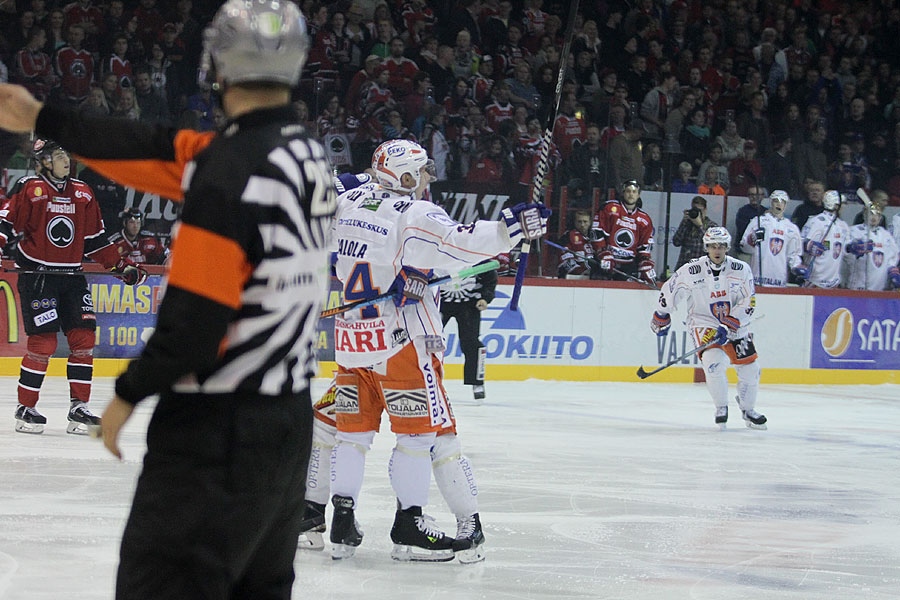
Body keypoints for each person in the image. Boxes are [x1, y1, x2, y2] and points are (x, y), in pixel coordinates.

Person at [0, 1, 336, 597]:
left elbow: (197, 317)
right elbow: (151, 145)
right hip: (286, 427)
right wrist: (42, 118)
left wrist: (127, 393)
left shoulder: (228, 171)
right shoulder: (304, 154)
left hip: (215, 435)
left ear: (217, 64)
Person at [328, 139, 548, 562]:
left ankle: (341, 522)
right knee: (417, 438)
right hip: (403, 341)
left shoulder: (347, 199)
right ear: (406, 177)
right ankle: (409, 524)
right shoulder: (414, 212)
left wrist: (351, 180)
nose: (430, 175)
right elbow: (460, 241)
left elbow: (319, 200)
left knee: (351, 436)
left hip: (352, 339)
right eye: (423, 169)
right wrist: (511, 229)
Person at [0, 139, 147, 435]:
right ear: (43, 161)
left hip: (71, 277)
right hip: (38, 276)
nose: (64, 160)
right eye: (57, 155)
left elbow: (95, 242)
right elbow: (5, 225)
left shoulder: (83, 192)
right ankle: (25, 408)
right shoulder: (30, 188)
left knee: (83, 339)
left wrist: (122, 267)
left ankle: (79, 408)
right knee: (44, 344)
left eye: (66, 154)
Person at [651, 227, 767, 430]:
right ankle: (721, 407)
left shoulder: (741, 269)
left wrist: (731, 322)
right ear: (706, 247)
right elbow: (671, 288)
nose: (717, 250)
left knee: (751, 369)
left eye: (721, 246)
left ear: (727, 247)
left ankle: (748, 409)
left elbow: (749, 302)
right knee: (714, 362)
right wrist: (662, 314)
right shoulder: (691, 269)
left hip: (734, 324)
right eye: (713, 245)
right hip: (704, 321)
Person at [440, 267, 497, 401]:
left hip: (469, 305)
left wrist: (485, 298)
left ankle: (477, 383)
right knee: (428, 341)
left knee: (472, 343)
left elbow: (490, 278)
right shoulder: (438, 255)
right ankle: (423, 379)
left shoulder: (480, 260)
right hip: (439, 304)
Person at [591, 180, 656, 283]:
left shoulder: (645, 219)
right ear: (623, 192)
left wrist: (645, 262)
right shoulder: (610, 208)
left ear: (638, 195)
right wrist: (602, 252)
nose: (631, 194)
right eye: (628, 191)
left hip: (628, 266)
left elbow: (645, 245)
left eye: (634, 192)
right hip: (606, 260)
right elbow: (596, 231)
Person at [739, 190, 804, 287]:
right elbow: (744, 247)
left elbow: (793, 255)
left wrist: (797, 267)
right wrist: (752, 239)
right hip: (758, 278)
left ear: (786, 204)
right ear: (771, 202)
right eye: (776, 201)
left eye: (782, 201)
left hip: (779, 280)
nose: (779, 204)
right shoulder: (759, 221)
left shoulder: (792, 228)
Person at [843, 203, 900, 291]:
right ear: (864, 215)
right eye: (871, 214)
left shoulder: (886, 235)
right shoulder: (854, 231)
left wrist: (892, 269)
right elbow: (844, 251)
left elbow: (893, 256)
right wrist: (851, 248)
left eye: (877, 214)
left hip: (880, 287)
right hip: (858, 285)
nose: (874, 217)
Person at [800, 190, 850, 289]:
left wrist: (853, 248)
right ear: (836, 206)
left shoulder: (843, 225)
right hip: (815, 280)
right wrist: (809, 245)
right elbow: (800, 243)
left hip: (834, 282)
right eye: (842, 204)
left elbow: (846, 250)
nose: (844, 207)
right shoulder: (816, 221)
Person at [673, 196, 718, 270]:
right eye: (695, 210)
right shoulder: (687, 224)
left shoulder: (712, 226)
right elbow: (676, 242)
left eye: (700, 210)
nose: (698, 213)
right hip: (684, 267)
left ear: (705, 210)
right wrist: (684, 222)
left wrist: (700, 226)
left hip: (702, 269)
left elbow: (713, 245)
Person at [558, 209, 602, 279]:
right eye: (579, 222)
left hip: (595, 276)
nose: (582, 225)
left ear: (590, 222)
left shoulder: (597, 236)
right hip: (575, 277)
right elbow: (564, 260)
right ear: (575, 222)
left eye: (585, 222)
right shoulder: (568, 236)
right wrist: (581, 270)